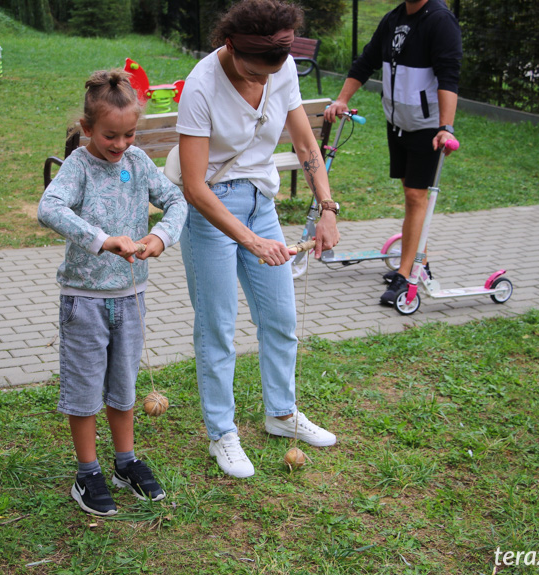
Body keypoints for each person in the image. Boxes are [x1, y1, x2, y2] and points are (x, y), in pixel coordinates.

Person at [176, 0, 339, 479]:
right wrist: (250, 241)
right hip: (211, 211)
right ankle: (221, 433)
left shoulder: (280, 65)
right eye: (255, 72)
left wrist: (326, 208)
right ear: (230, 47)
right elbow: (194, 187)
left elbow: (306, 144)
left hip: (260, 201)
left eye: (273, 73)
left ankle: (281, 413)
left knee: (281, 317)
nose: (265, 82)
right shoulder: (202, 85)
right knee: (218, 327)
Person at [37, 69, 187, 515]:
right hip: (84, 300)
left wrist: (160, 238)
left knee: (123, 387)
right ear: (87, 129)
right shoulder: (79, 166)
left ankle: (125, 462)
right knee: (84, 392)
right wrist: (102, 239)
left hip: (131, 298)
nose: (120, 145)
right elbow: (49, 207)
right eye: (110, 136)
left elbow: (177, 201)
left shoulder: (139, 162)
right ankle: (88, 474)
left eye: (129, 134)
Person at [324, 0, 461, 306]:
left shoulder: (440, 21)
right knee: (411, 195)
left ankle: (407, 270)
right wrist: (342, 98)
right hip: (398, 123)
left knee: (416, 196)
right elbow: (367, 61)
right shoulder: (394, 18)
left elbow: (449, 76)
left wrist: (446, 127)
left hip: (427, 127)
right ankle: (414, 258)